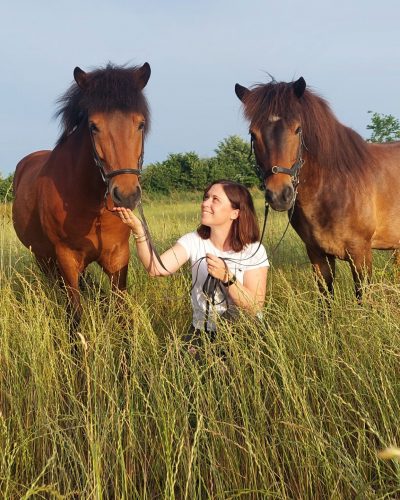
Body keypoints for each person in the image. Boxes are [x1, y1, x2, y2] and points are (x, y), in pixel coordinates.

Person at [113, 179, 269, 345]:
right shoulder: (193, 241)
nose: (205, 203)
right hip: (201, 332)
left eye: (215, 200)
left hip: (244, 333)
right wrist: (139, 231)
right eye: (206, 197)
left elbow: (255, 307)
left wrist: (228, 278)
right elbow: (156, 268)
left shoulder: (254, 250)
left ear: (235, 213)